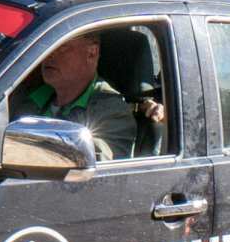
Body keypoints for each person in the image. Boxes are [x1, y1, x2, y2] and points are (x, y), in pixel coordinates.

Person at [13, 32, 147, 160]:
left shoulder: (112, 111)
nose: (49, 54)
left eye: (61, 46)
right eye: (47, 46)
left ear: (91, 53)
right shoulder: (29, 97)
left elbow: (95, 167)